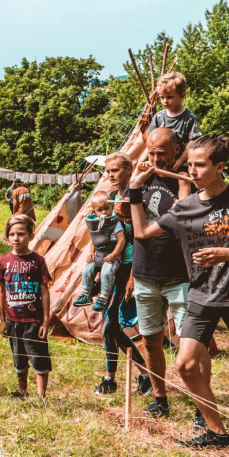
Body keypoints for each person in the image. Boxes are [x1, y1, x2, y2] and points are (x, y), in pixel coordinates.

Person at [129, 134, 229, 449]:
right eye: (189, 164)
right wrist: (134, 189)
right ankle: (217, 432)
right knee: (185, 364)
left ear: (220, 167)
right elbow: (142, 232)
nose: (192, 170)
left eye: (200, 165)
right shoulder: (185, 207)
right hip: (201, 295)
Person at [130, 127, 194, 421]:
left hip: (179, 275)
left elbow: (185, 210)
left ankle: (200, 403)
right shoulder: (140, 179)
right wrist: (133, 181)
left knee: (190, 343)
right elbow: (127, 219)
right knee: (150, 340)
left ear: (177, 151)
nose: (155, 159)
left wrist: (179, 178)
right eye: (151, 152)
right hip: (145, 271)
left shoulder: (188, 180)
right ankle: (160, 398)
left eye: (162, 154)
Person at [93, 152, 150, 396]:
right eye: (107, 171)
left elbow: (141, 240)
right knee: (110, 326)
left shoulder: (137, 198)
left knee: (110, 326)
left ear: (129, 169)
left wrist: (133, 277)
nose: (110, 175)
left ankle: (144, 373)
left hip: (129, 269)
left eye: (115, 170)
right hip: (109, 269)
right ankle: (112, 378)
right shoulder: (110, 199)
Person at [0, 214, 52, 398]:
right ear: (7, 236)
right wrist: (3, 320)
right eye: (12, 234)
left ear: (31, 235)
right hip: (12, 320)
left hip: (33, 320)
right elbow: (1, 290)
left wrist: (45, 321)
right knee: (18, 357)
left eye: (21, 234)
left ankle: (41, 396)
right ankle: (22, 391)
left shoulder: (38, 261)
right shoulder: (4, 260)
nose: (16, 238)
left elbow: (44, 292)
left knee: (39, 357)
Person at [73, 191, 126, 312]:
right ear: (93, 211)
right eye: (99, 210)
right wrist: (91, 252)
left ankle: (104, 296)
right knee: (87, 268)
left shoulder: (114, 222)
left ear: (112, 207)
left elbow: (121, 240)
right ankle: (86, 294)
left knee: (107, 272)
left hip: (111, 254)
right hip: (99, 254)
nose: (103, 213)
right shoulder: (95, 223)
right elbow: (94, 239)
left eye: (106, 209)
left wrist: (114, 255)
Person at [146, 71, 202, 171]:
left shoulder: (189, 118)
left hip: (180, 164)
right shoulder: (158, 117)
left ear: (182, 95)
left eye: (169, 97)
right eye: (162, 97)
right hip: (159, 162)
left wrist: (180, 161)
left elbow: (194, 141)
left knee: (183, 180)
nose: (165, 101)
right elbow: (149, 138)